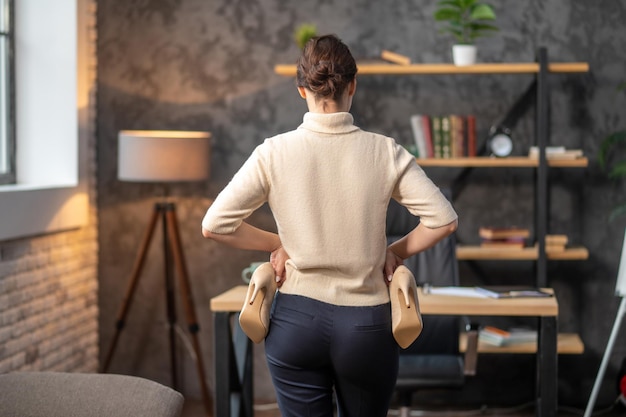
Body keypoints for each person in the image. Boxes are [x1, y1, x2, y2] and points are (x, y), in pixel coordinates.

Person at [201, 34, 458, 417]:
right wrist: (393, 252)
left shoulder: (273, 152)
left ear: (301, 89)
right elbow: (444, 220)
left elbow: (215, 225)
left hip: (294, 326)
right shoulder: (384, 151)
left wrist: (284, 242)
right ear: (353, 85)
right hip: (366, 326)